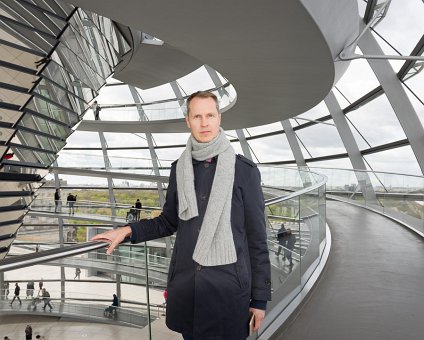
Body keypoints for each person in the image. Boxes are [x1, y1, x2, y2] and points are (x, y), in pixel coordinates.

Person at [92, 91, 271, 339]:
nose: (204, 122)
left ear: (219, 118)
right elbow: (168, 221)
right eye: (197, 116)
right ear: (188, 121)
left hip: (228, 291)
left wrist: (259, 299)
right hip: (190, 291)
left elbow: (257, 240)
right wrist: (128, 230)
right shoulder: (180, 169)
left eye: (210, 115)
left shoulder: (244, 172)